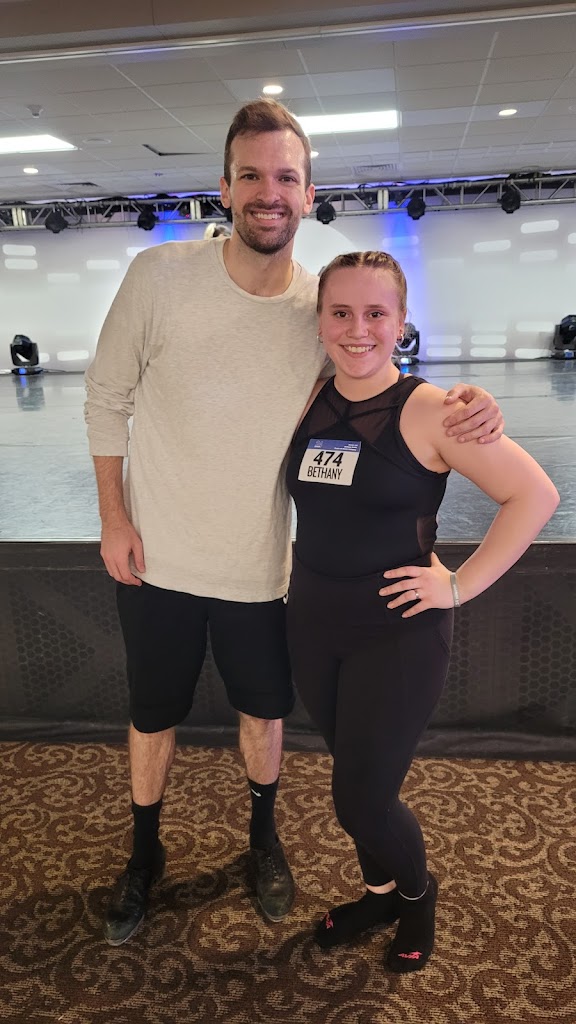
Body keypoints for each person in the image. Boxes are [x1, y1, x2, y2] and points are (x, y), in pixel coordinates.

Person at [84, 99, 505, 947]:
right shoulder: (158, 277)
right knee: (152, 714)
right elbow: (104, 399)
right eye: (251, 175)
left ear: (309, 194)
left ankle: (263, 840)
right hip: (157, 557)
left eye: (285, 177)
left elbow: (374, 372)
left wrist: (466, 399)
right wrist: (114, 517)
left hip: (265, 571)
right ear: (224, 187)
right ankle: (143, 854)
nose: (267, 192)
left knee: (263, 713)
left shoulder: (321, 308)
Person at [285, 250, 559, 973]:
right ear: (320, 320)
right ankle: (377, 893)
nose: (357, 329)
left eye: (376, 313)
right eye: (341, 312)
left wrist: (459, 586)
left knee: (362, 801)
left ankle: (416, 895)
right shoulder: (306, 397)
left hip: (396, 633)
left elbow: (535, 496)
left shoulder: (435, 410)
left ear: (402, 321)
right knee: (354, 776)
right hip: (312, 622)